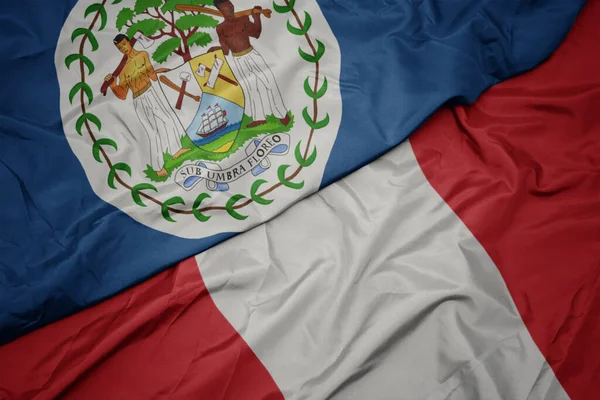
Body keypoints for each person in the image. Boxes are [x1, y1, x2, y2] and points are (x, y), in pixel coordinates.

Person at [104, 34, 190, 177]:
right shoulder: (123, 70)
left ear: (129, 42)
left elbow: (152, 75)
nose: (123, 49)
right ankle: (158, 167)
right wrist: (113, 85)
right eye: (119, 48)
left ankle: (176, 150)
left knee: (168, 119)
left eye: (124, 44)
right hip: (139, 99)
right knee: (152, 133)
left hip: (151, 91)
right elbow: (123, 94)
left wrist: (165, 71)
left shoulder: (143, 55)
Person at [211, 0, 291, 128]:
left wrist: (256, 17)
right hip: (238, 59)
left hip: (252, 55)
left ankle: (282, 114)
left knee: (268, 81)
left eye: (230, 5)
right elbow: (226, 50)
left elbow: (256, 34)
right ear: (221, 10)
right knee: (251, 88)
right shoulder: (221, 28)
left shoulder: (243, 19)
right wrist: (216, 49)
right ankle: (259, 117)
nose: (230, 8)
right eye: (226, 7)